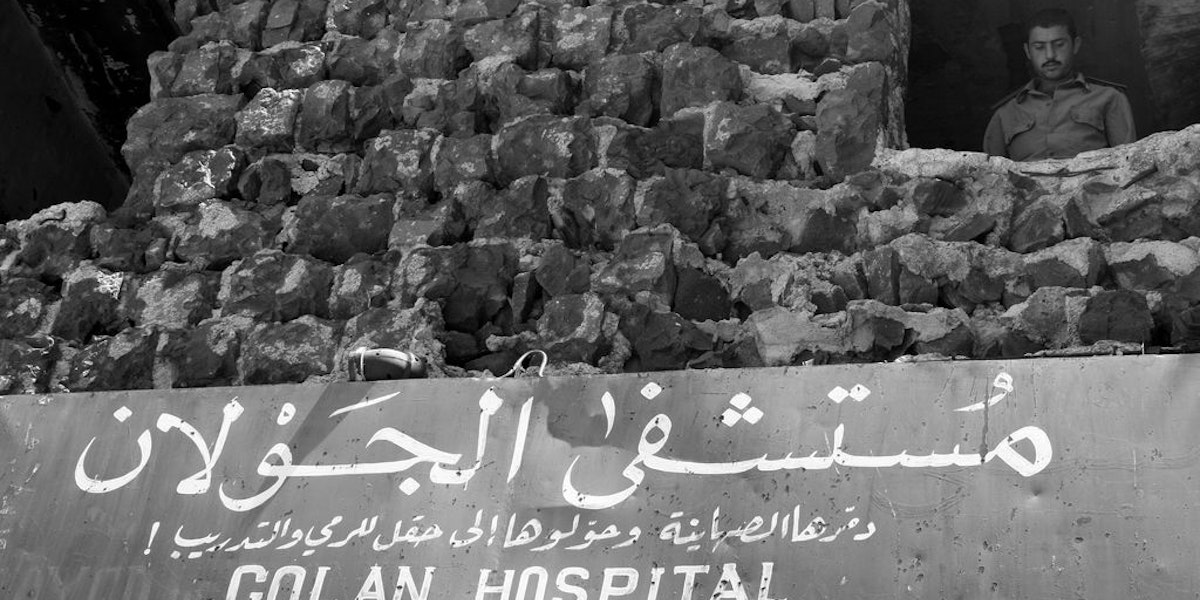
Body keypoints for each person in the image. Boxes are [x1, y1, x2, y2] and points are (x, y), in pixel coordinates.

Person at [983, 8, 1136, 161]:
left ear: (1075, 45)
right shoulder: (1005, 113)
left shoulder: (1109, 98)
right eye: (1039, 47)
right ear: (1027, 51)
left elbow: (1128, 165)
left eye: (1059, 44)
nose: (1050, 55)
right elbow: (990, 176)